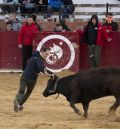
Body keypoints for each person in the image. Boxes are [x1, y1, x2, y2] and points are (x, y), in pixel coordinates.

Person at [13, 48, 54, 112]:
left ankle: (17, 102)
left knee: (21, 91)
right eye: (46, 54)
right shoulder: (39, 59)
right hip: (32, 79)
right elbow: (41, 68)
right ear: (42, 52)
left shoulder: (33, 56)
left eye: (48, 54)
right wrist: (51, 74)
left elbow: (37, 67)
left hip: (24, 76)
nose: (47, 56)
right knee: (28, 92)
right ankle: (19, 104)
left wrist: (41, 70)